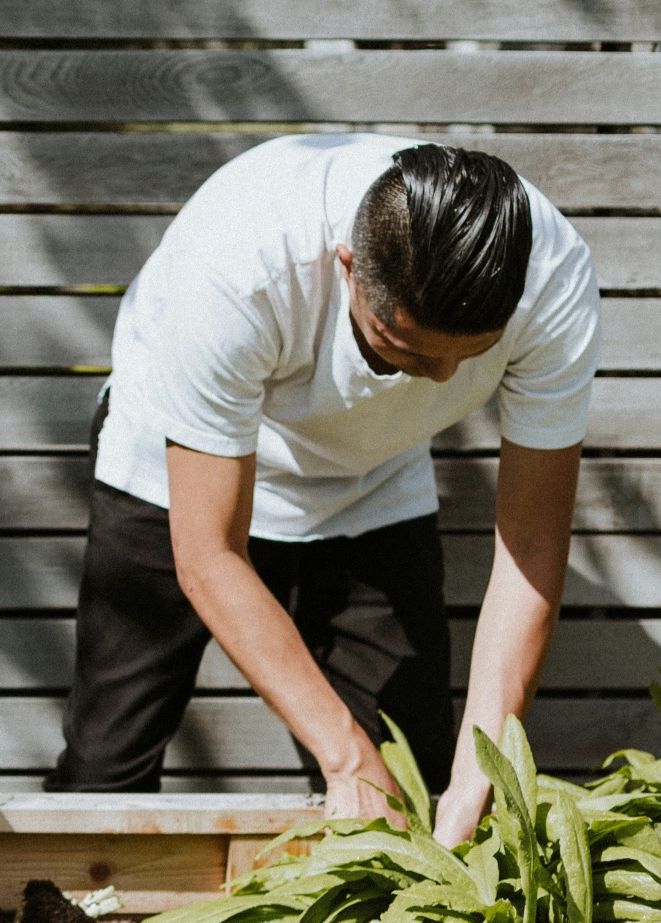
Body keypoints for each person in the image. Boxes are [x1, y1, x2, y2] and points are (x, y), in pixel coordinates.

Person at [44, 134, 599, 846]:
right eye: (402, 349)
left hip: (371, 480)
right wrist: (343, 757)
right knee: (105, 772)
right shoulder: (238, 265)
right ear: (348, 269)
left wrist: (478, 776)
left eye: (470, 358)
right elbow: (209, 555)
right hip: (173, 474)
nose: (438, 380)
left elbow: (529, 546)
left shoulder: (552, 280)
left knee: (411, 782)